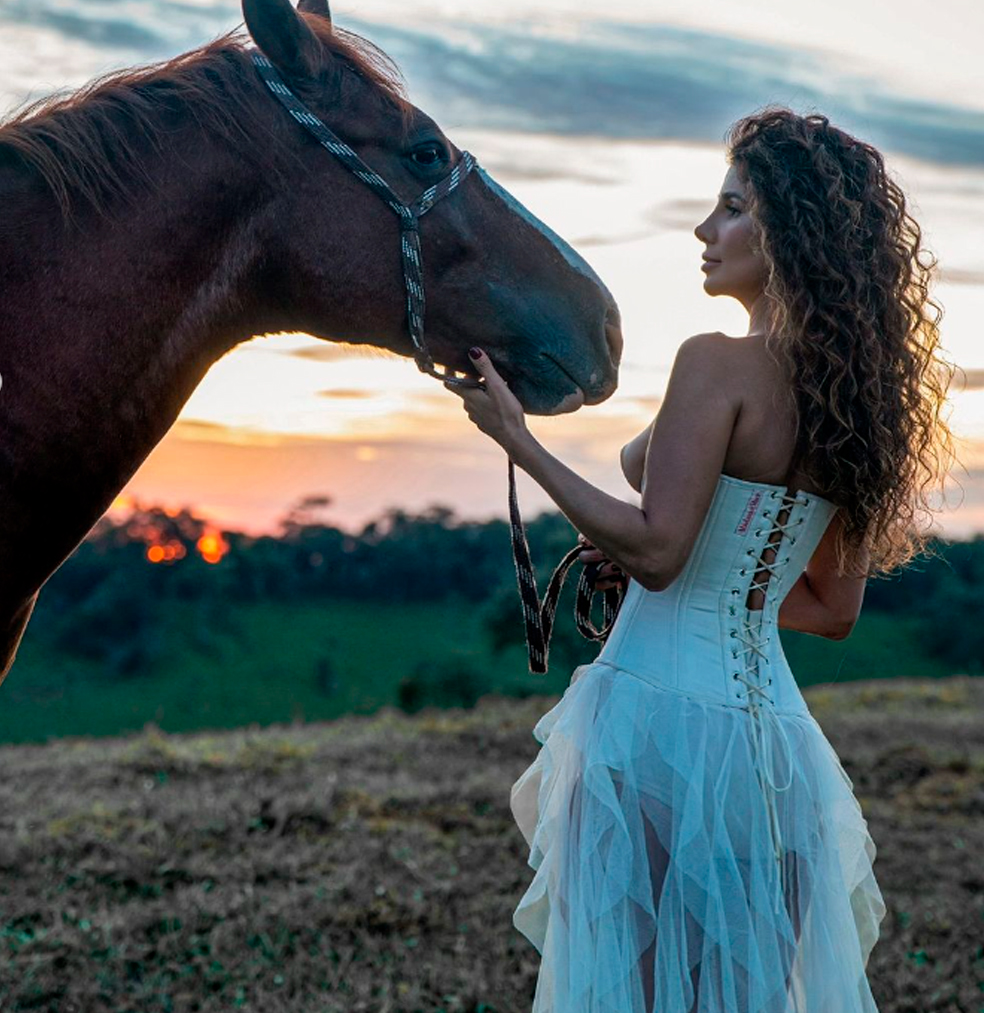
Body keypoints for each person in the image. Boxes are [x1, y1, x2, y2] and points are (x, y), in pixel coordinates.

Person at [444, 107, 956, 1012]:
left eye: (730, 209)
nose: (703, 230)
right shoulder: (857, 405)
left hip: (656, 729)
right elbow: (831, 609)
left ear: (788, 233)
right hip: (779, 755)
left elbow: (658, 549)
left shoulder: (715, 363)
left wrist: (518, 440)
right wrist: (707, 581)